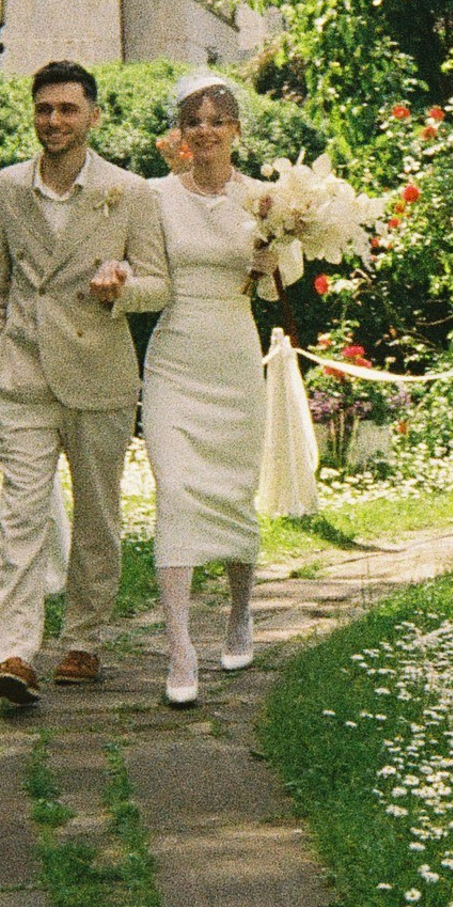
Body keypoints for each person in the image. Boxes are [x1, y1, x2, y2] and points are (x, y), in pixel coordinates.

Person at [0, 60, 169, 706]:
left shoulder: (129, 191)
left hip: (99, 374)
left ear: (93, 116)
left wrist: (120, 290)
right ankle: (12, 651)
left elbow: (159, 284)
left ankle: (84, 638)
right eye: (43, 109)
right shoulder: (8, 187)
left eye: (67, 110)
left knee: (97, 517)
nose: (53, 121)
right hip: (22, 376)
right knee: (22, 513)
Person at [139, 72, 295, 706]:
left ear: (236, 130)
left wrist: (269, 262)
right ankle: (180, 648)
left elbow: (279, 282)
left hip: (233, 356)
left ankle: (240, 611)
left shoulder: (265, 198)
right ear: (180, 133)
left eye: (218, 120)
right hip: (175, 356)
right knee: (175, 490)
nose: (205, 131)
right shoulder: (153, 197)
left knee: (232, 492)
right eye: (193, 121)